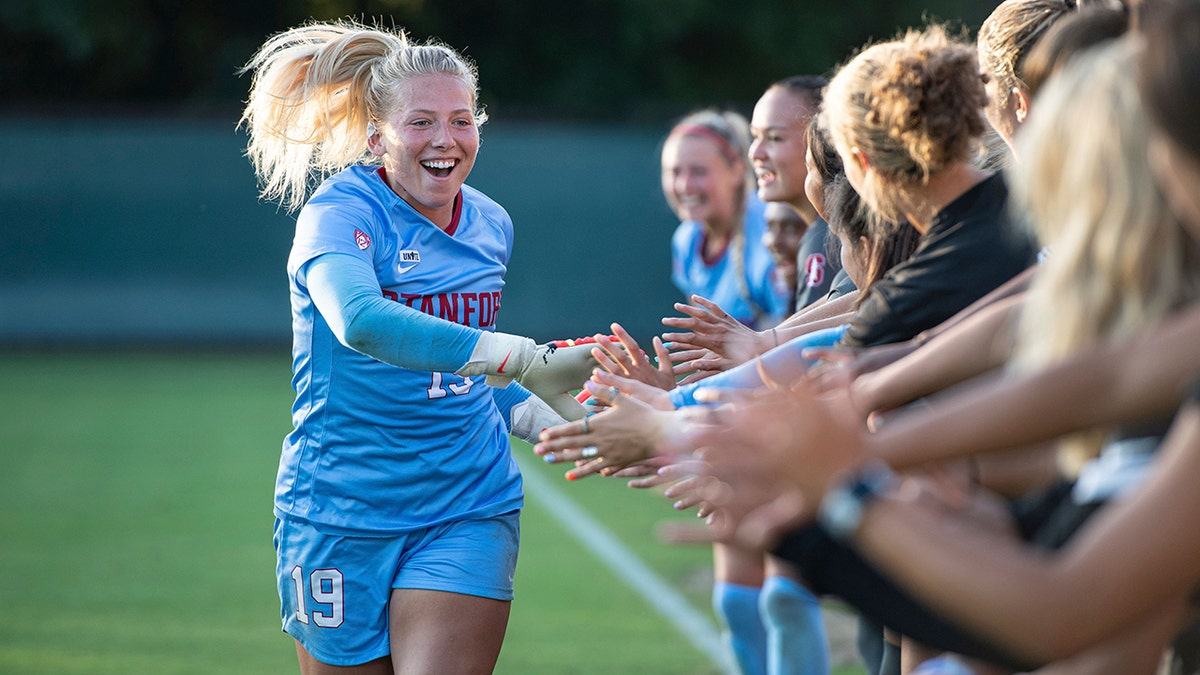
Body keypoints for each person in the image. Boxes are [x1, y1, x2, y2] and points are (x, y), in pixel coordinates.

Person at [681, 22, 1200, 674]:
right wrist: (863, 460)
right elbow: (1096, 376)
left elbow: (1067, 610)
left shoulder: (994, 235)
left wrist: (845, 491)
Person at [239, 20, 603, 673]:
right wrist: (520, 356)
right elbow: (361, 321)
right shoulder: (340, 212)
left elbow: (465, 374)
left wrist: (552, 416)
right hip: (338, 506)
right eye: (422, 122)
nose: (445, 140)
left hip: (467, 501)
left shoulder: (491, 223)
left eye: (462, 121)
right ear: (378, 138)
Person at [665, 110, 791, 331]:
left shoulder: (773, 229)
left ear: (737, 170)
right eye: (675, 172)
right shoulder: (686, 239)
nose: (684, 186)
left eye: (698, 171)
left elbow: (794, 328)